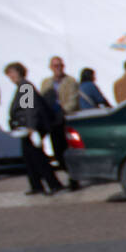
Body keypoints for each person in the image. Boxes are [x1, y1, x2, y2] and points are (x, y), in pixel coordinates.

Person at [3, 61, 64, 196]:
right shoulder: (22, 86)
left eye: (11, 73)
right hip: (28, 127)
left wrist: (31, 127)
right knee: (29, 157)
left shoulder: (25, 87)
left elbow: (30, 108)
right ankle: (36, 184)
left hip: (32, 127)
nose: (10, 76)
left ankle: (53, 184)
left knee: (37, 156)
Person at [38, 56, 79, 189]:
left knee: (69, 150)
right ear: (51, 67)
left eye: (60, 65)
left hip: (65, 120)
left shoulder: (70, 81)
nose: (58, 68)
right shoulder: (46, 83)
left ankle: (74, 178)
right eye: (55, 66)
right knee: (58, 152)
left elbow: (73, 100)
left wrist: (62, 111)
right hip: (53, 122)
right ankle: (68, 173)